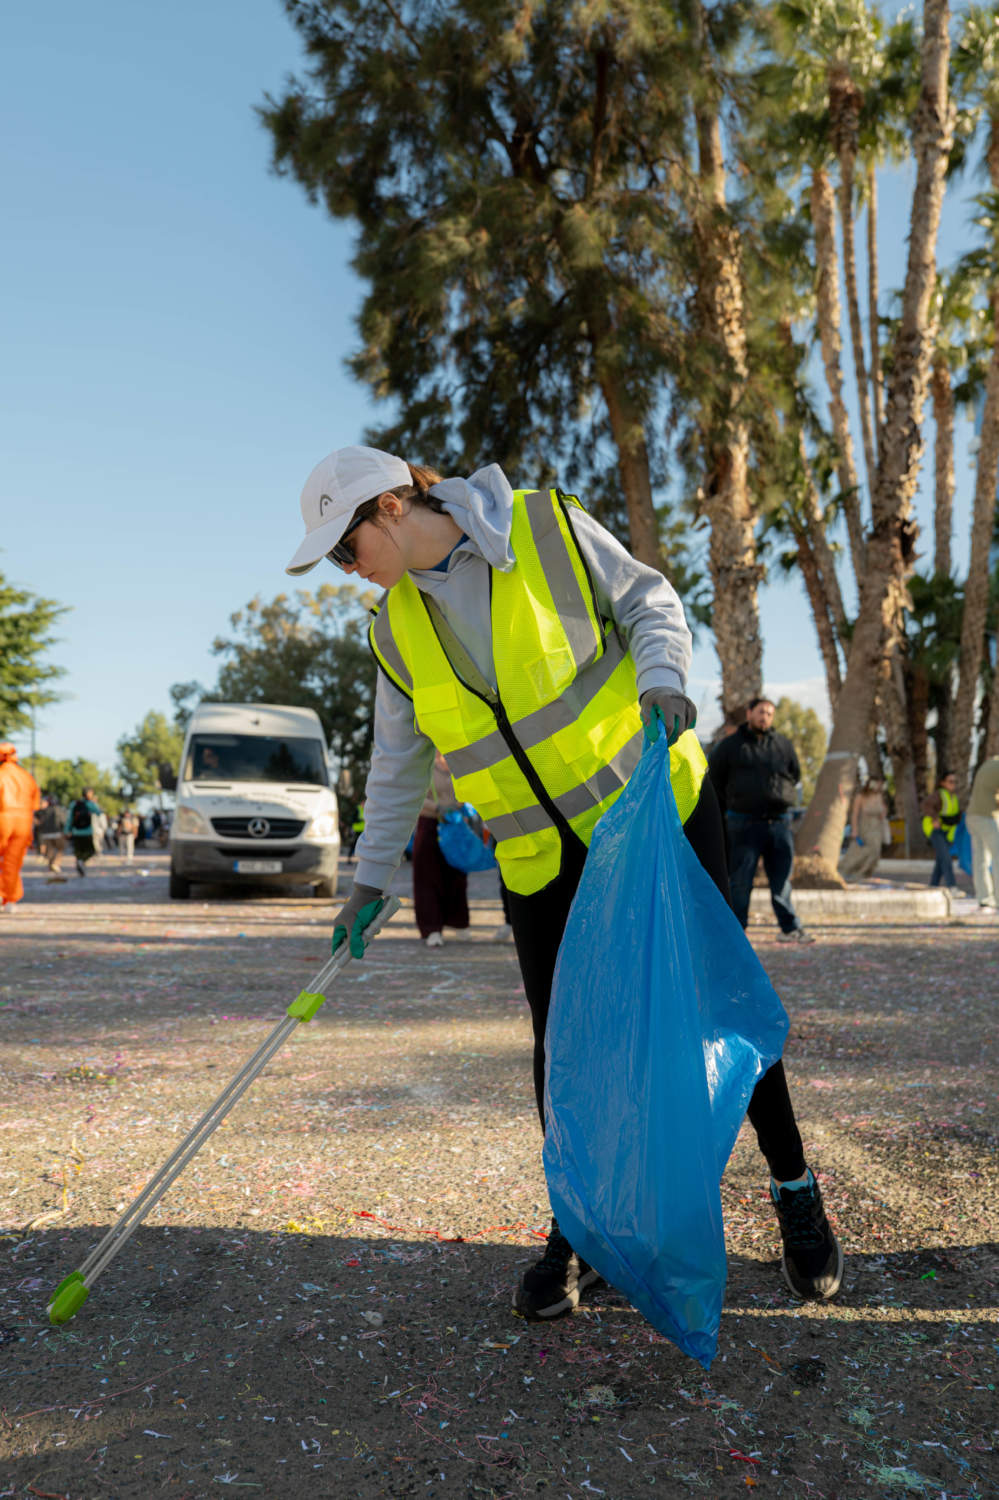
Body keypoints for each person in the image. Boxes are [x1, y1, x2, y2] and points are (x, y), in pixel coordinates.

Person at [283, 445, 843, 1316]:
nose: (347, 570)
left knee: (718, 1003)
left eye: (344, 548)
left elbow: (649, 601)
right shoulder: (393, 630)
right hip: (538, 857)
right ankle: (580, 1228)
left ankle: (793, 1187)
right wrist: (366, 882)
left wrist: (663, 682)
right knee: (565, 1052)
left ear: (388, 508)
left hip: (648, 813)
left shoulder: (542, 526)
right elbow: (395, 764)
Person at [707, 698, 815, 943]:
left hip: (779, 824)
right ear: (749, 713)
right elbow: (715, 780)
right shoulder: (730, 746)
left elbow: (795, 773)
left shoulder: (782, 745)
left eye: (769, 713)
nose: (764, 717)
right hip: (743, 824)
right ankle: (736, 932)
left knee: (781, 882)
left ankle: (790, 929)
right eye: (760, 712)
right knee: (741, 882)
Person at [411, 749, 469, 948]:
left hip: (456, 825)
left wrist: (461, 805)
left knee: (457, 874)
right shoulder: (424, 766)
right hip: (430, 824)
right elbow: (415, 795)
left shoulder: (459, 762)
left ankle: (459, 922)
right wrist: (438, 808)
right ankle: (432, 929)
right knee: (428, 878)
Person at [0, 744, 42, 911]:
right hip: (24, 822)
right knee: (13, 862)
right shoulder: (27, 776)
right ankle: (10, 900)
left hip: (3, 818)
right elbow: (36, 803)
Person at [838, 778, 890, 882]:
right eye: (877, 784)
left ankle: (864, 873)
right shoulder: (860, 797)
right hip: (864, 828)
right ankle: (845, 872)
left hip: (877, 828)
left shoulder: (879, 796)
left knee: (875, 852)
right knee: (860, 852)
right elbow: (855, 814)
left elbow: (883, 811)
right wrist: (855, 830)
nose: (879, 787)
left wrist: (883, 813)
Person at [965, 756, 999, 910]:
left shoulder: (990, 762)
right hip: (987, 817)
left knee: (980, 860)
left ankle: (984, 898)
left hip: (972, 815)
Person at [921, 769, 959, 889]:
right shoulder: (938, 794)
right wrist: (934, 818)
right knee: (946, 859)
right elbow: (926, 805)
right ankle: (952, 886)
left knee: (940, 860)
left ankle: (933, 886)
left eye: (954, 781)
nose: (953, 784)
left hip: (946, 833)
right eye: (950, 781)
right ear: (942, 783)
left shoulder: (953, 797)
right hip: (935, 831)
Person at [65, 788, 102, 876]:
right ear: (89, 794)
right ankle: (82, 861)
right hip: (87, 832)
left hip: (76, 832)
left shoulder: (74, 804)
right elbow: (99, 812)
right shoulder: (90, 804)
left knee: (78, 851)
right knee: (91, 851)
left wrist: (67, 830)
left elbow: (69, 818)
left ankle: (79, 861)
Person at [36, 795, 69, 881]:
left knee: (50, 850)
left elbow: (40, 822)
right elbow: (63, 821)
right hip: (56, 832)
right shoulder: (58, 809)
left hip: (46, 834)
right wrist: (66, 831)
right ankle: (55, 863)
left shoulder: (44, 810)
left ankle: (51, 865)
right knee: (61, 848)